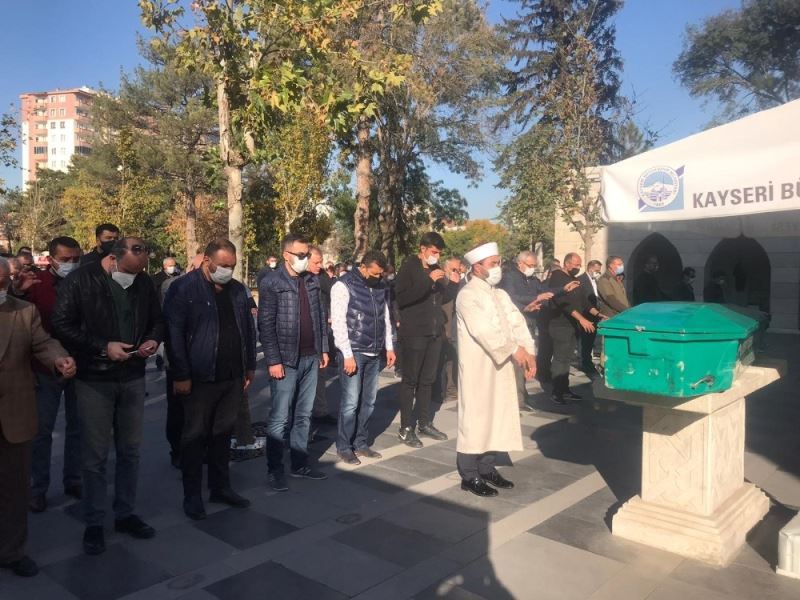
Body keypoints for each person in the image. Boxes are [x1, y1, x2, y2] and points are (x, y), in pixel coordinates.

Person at [51, 237, 164, 555]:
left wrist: (153, 340)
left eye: (139, 272)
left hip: (132, 375)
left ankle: (125, 513)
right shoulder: (80, 280)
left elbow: (158, 320)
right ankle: (95, 522)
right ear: (113, 259)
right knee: (95, 456)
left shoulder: (142, 282)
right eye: (129, 271)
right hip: (94, 378)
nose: (133, 277)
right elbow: (60, 324)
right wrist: (103, 347)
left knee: (130, 451)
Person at [164, 239, 256, 520]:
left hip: (231, 375)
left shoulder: (237, 289)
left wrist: (250, 366)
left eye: (232, 266)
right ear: (206, 261)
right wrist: (181, 374)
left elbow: (247, 329)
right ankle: (192, 495)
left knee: (222, 435)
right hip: (198, 377)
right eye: (223, 265)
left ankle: (220, 487)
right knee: (194, 437)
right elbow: (174, 334)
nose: (228, 270)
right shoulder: (183, 288)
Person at [0, 257, 76, 577]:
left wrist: (60, 359)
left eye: (4, 281)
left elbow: (44, 343)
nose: (1, 287)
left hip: (14, 414)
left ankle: (12, 551)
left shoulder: (23, 311)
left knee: (14, 489)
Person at [454, 243, 536, 497]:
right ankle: (469, 474)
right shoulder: (467, 295)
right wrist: (514, 350)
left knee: (497, 415)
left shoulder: (499, 294)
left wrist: (529, 351)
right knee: (476, 418)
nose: (498, 268)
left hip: (501, 366)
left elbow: (516, 321)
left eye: (499, 262)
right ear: (477, 267)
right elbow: (483, 330)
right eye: (493, 264)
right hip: (479, 368)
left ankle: (487, 467)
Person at [10, 237, 83, 513]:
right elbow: (18, 316)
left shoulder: (84, 282)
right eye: (65, 259)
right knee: (42, 431)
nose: (71, 264)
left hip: (79, 364)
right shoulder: (36, 284)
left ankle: (73, 479)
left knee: (78, 427)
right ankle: (37, 488)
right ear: (51, 259)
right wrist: (20, 292)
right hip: (44, 368)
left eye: (75, 259)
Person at [259, 234, 329, 492]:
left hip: (311, 357)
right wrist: (273, 360)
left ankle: (299, 464)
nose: (305, 259)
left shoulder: (311, 281)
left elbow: (319, 317)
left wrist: (323, 348)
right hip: (285, 360)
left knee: (303, 415)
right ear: (286, 255)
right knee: (279, 418)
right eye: (300, 255)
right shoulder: (272, 282)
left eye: (306, 254)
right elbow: (266, 324)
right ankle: (274, 470)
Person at [331, 251, 396, 464]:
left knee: (369, 402)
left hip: (374, 352)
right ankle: (344, 446)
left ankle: (361, 443)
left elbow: (385, 317)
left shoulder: (380, 286)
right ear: (363, 267)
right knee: (350, 402)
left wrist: (389, 347)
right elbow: (338, 322)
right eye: (375, 273)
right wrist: (347, 354)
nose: (378, 277)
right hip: (354, 351)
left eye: (380, 274)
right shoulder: (343, 285)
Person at [394, 232, 459, 447]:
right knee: (410, 381)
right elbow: (403, 298)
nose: (436, 257)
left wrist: (453, 285)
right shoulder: (409, 267)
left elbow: (441, 298)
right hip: (414, 332)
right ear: (422, 249)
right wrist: (427, 280)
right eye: (433, 252)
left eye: (439, 253)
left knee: (427, 380)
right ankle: (405, 428)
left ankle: (424, 422)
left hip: (433, 333)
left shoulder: (435, 269)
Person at [501, 251, 577, 407]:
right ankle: (517, 399)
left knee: (526, 360)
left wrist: (563, 289)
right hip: (515, 323)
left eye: (534, 266)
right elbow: (511, 298)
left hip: (529, 322)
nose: (532, 268)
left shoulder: (532, 279)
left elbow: (544, 291)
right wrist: (535, 299)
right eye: (530, 265)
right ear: (520, 263)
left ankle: (522, 396)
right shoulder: (510, 277)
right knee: (517, 361)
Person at [160, 254, 205, 468]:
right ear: (190, 267)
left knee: (200, 411)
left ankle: (199, 449)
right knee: (178, 411)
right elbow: (170, 327)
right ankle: (178, 451)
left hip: (203, 361)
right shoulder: (173, 286)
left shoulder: (214, 288)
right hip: (178, 361)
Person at [548, 253, 595, 405]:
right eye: (576, 264)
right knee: (560, 359)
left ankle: (565, 389)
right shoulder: (557, 277)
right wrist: (581, 319)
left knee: (567, 359)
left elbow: (584, 302)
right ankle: (556, 392)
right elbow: (563, 303)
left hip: (572, 326)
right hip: (560, 325)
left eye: (580, 265)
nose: (578, 267)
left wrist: (598, 314)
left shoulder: (574, 279)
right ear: (567, 263)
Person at [309, 245, 337, 425]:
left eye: (321, 262)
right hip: (303, 339)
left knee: (320, 376)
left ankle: (320, 411)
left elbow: (331, 291)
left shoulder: (321, 277)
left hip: (321, 332)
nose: (320, 266)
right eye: (316, 262)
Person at [576, 260, 604, 376]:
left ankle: (587, 362)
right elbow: (582, 300)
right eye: (597, 270)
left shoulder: (595, 280)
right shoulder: (580, 280)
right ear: (590, 268)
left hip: (594, 313)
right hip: (585, 314)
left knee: (590, 340)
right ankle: (584, 363)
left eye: (599, 271)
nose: (598, 273)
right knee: (585, 340)